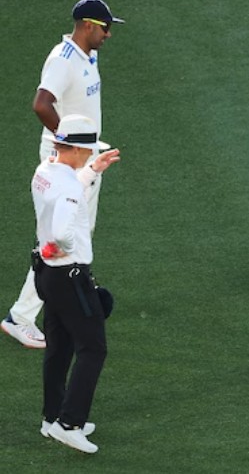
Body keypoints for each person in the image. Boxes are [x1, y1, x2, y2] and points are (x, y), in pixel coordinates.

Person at [2, 0, 124, 349]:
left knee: (78, 232)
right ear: (87, 25)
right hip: (69, 160)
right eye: (105, 27)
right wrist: (70, 145)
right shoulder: (63, 60)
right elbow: (41, 103)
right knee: (58, 239)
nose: (109, 34)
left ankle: (65, 300)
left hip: (82, 157)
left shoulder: (89, 54)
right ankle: (20, 317)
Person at [33, 115, 121, 453]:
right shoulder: (68, 186)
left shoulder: (45, 171)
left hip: (47, 274)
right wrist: (63, 246)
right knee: (93, 348)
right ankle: (69, 424)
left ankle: (52, 416)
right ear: (78, 149)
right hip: (69, 276)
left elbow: (63, 193)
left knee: (60, 347)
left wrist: (92, 170)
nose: (89, 155)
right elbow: (62, 232)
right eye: (87, 152)